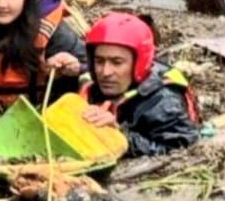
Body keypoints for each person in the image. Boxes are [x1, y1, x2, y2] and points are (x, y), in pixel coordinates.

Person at [79, 12, 200, 157]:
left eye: (117, 62)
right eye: (99, 61)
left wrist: (119, 135)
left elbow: (180, 149)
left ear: (139, 63)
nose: (105, 72)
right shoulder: (91, 85)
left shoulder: (164, 101)